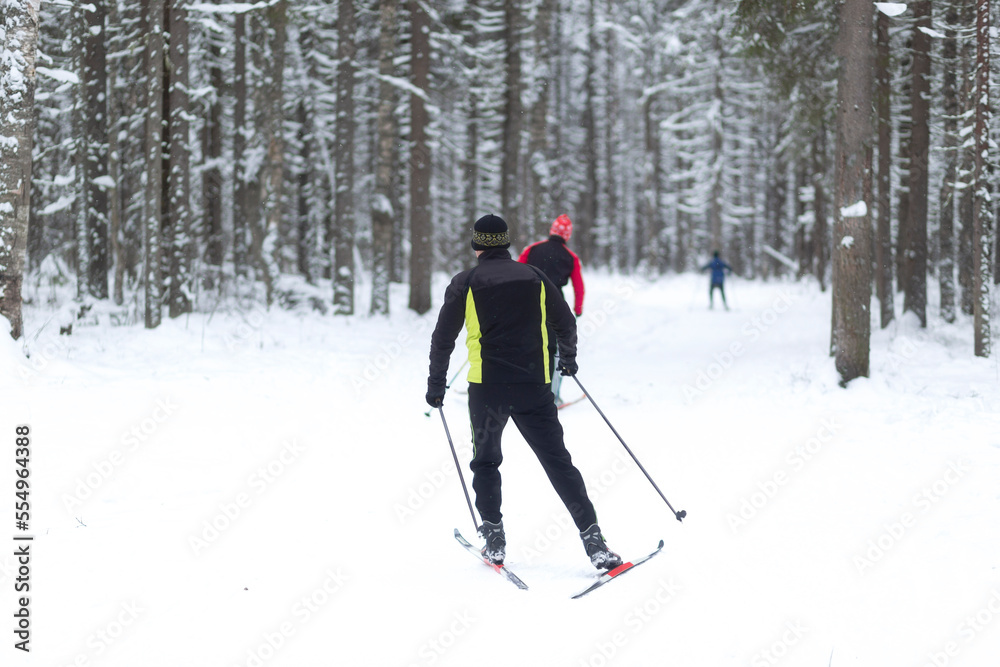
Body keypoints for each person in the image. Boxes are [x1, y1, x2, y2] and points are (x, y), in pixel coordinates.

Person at [426, 214, 622, 571]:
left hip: (487, 389)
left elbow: (443, 339)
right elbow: (566, 322)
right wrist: (568, 360)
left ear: (476, 246)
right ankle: (594, 541)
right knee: (558, 462)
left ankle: (494, 538)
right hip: (534, 386)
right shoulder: (535, 277)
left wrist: (436, 385)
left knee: (486, 461)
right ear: (506, 243)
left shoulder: (465, 282)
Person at [518, 214, 584, 403]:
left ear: (552, 230)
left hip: (529, 301)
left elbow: (515, 272)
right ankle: (552, 396)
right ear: (567, 235)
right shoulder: (570, 257)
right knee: (554, 349)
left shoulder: (532, 249)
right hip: (555, 304)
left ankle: (522, 390)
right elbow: (578, 286)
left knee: (527, 345)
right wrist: (578, 309)